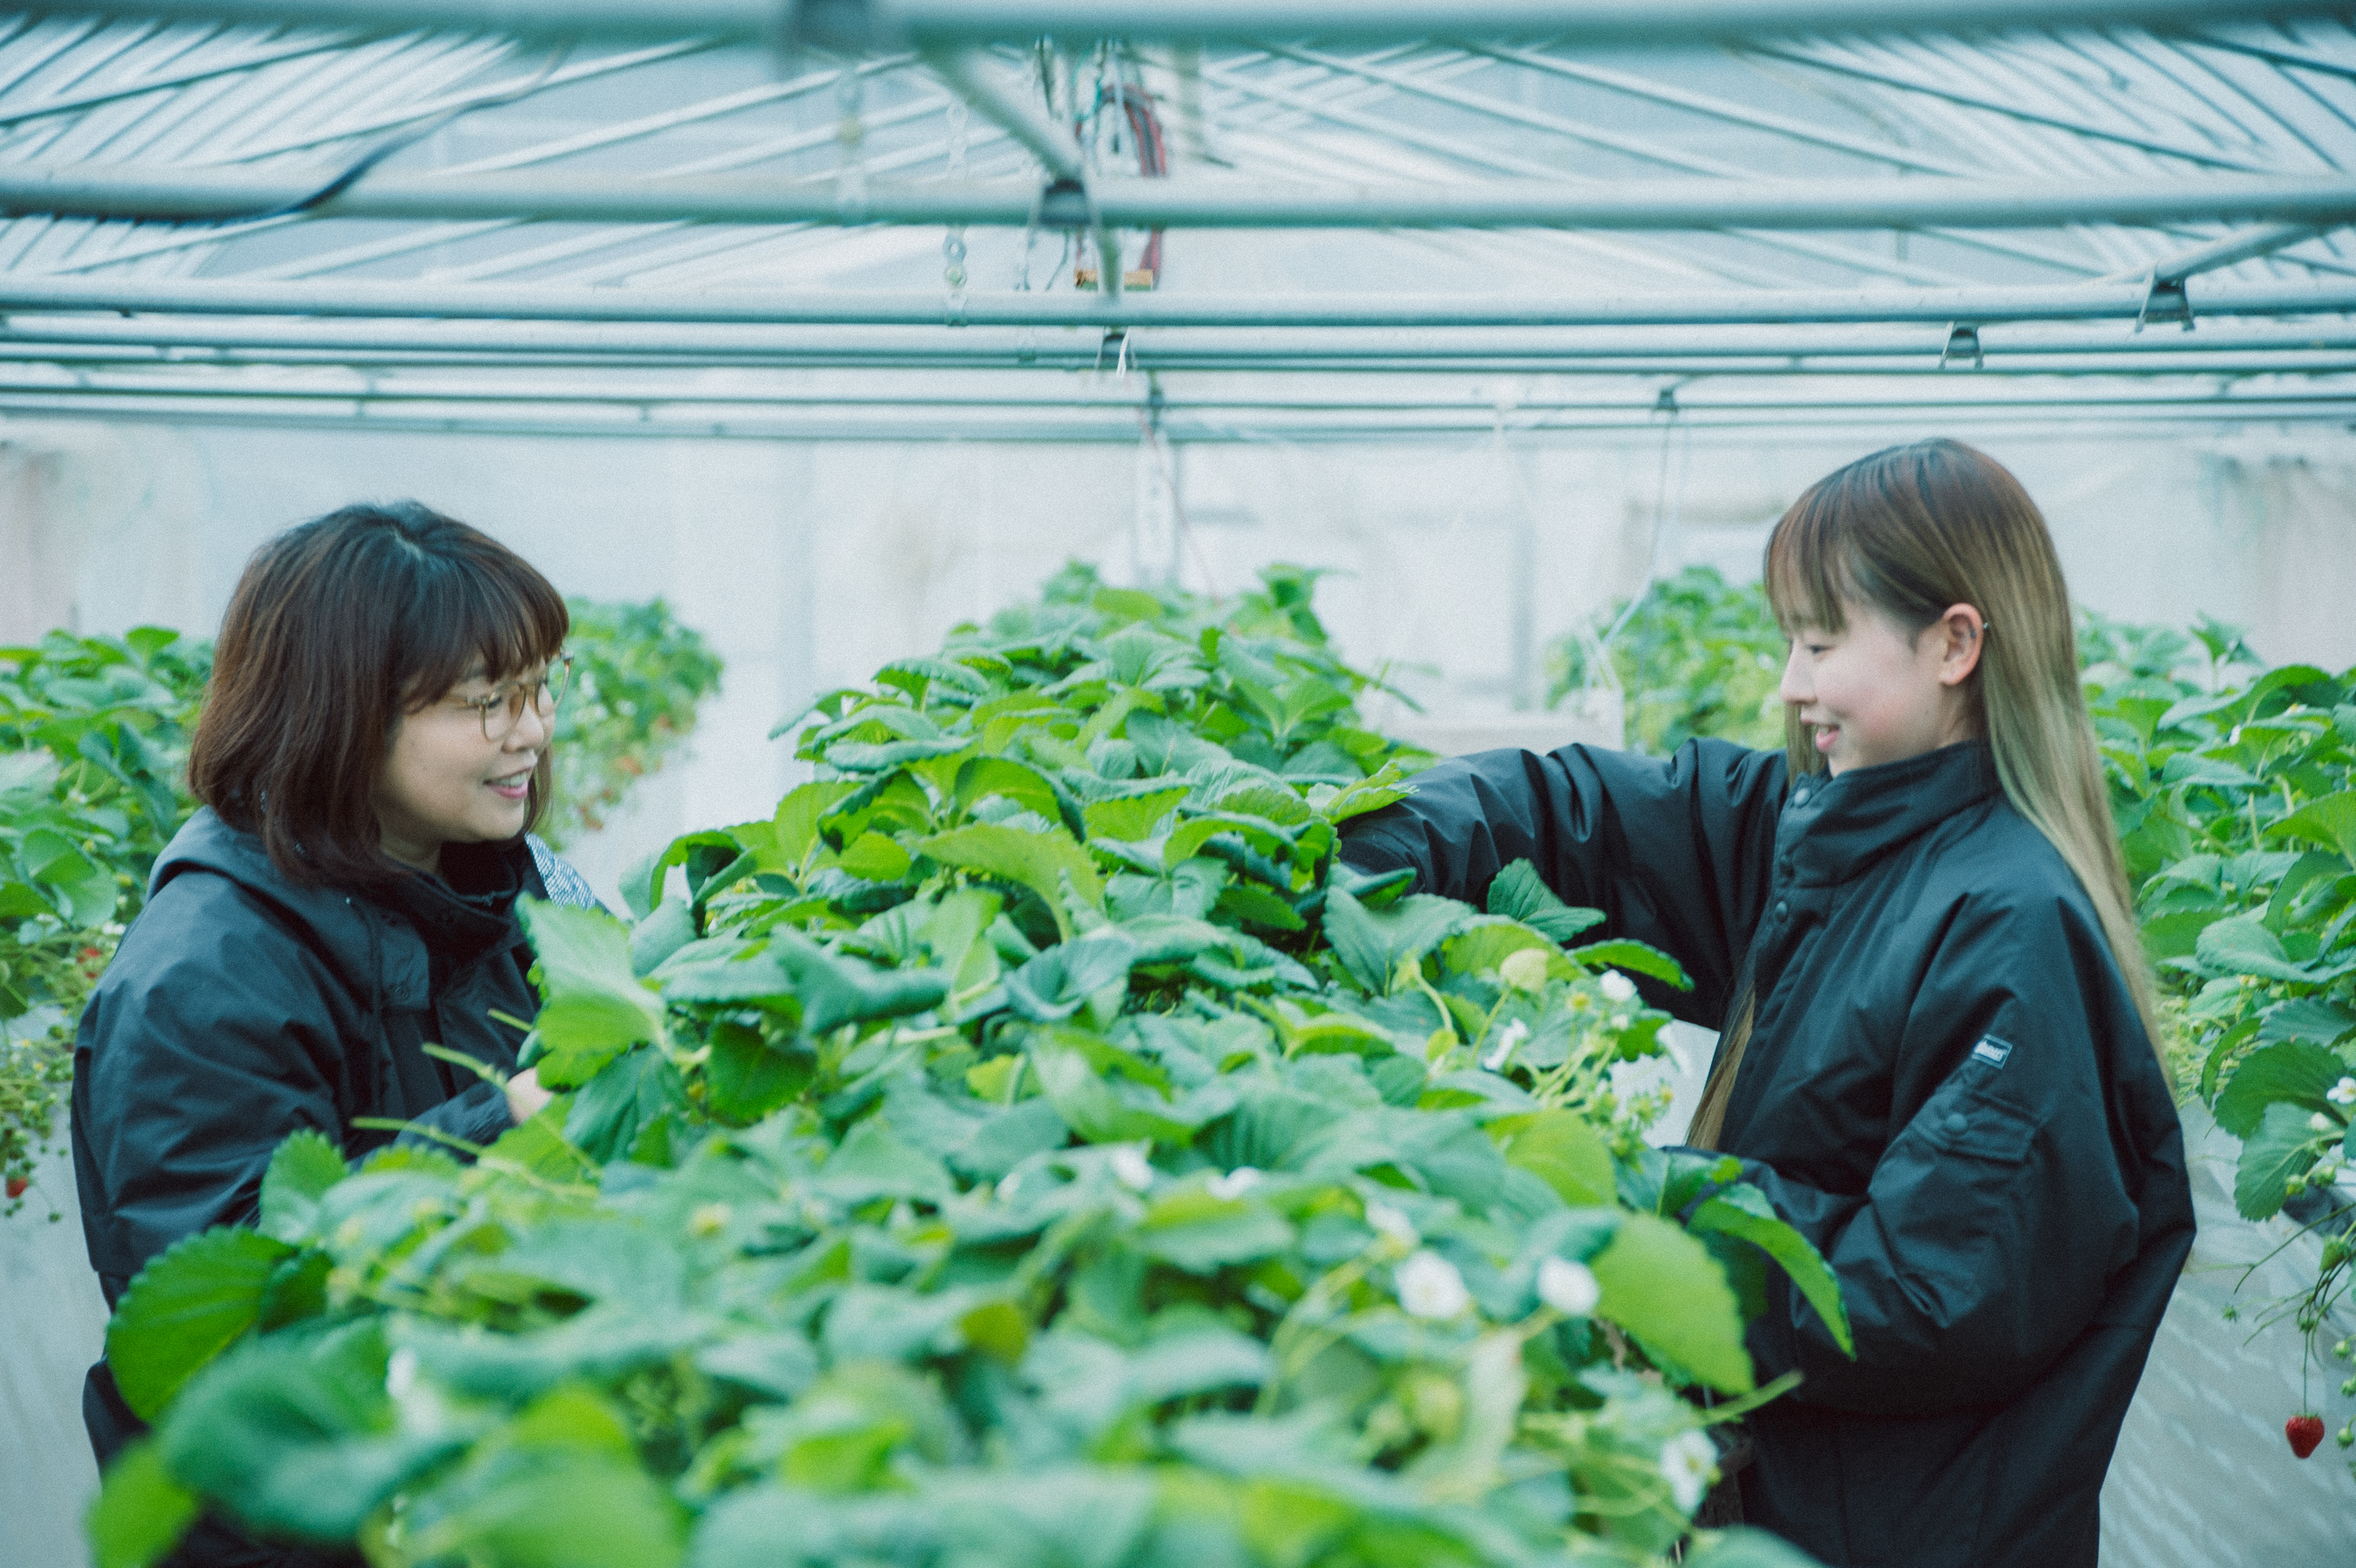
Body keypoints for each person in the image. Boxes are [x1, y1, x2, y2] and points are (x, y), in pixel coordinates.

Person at [1339, 440, 2194, 1568]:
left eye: (1821, 641)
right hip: (1792, 1511)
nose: (1791, 684)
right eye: (1790, 639)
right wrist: (1346, 850)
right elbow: (1582, 815)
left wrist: (1616, 1199)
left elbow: (1916, 1293)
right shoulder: (1834, 838)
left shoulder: (2012, 925)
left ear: (1955, 643)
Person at [71, 502, 600, 1565]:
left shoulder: (492, 886)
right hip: (286, 1518)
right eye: (484, 701)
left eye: (539, 686)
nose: (530, 730)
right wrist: (506, 1122)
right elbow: (220, 1300)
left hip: (446, 1470)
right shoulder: (207, 972)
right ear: (345, 715)